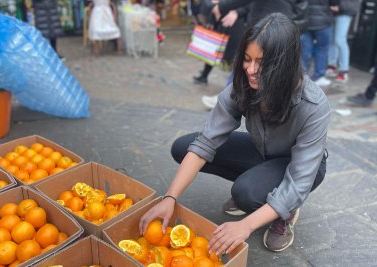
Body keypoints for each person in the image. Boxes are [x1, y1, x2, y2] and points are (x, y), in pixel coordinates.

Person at [140, 13, 330, 253]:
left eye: (260, 62)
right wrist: (170, 198)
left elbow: (300, 179)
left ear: (283, 64)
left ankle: (283, 210)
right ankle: (262, 189)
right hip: (261, 150)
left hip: (301, 167)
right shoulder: (245, 83)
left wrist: (245, 226)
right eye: (247, 59)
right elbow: (206, 142)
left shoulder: (313, 105)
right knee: (183, 147)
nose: (251, 70)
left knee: (246, 193)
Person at [192, 1, 247, 85]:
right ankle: (204, 76)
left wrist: (236, 12)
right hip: (220, 25)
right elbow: (210, 7)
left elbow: (247, 7)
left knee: (235, 59)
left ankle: (233, 87)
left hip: (235, 28)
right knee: (213, 50)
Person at [300, 0, 339, 87]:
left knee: (305, 51)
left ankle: (302, 77)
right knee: (322, 49)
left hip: (306, 22)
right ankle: (319, 76)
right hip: (323, 22)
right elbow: (335, 4)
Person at [326, 0, 362, 83]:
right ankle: (332, 66)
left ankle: (344, 71)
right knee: (332, 40)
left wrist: (339, 6)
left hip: (345, 11)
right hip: (333, 11)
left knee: (340, 40)